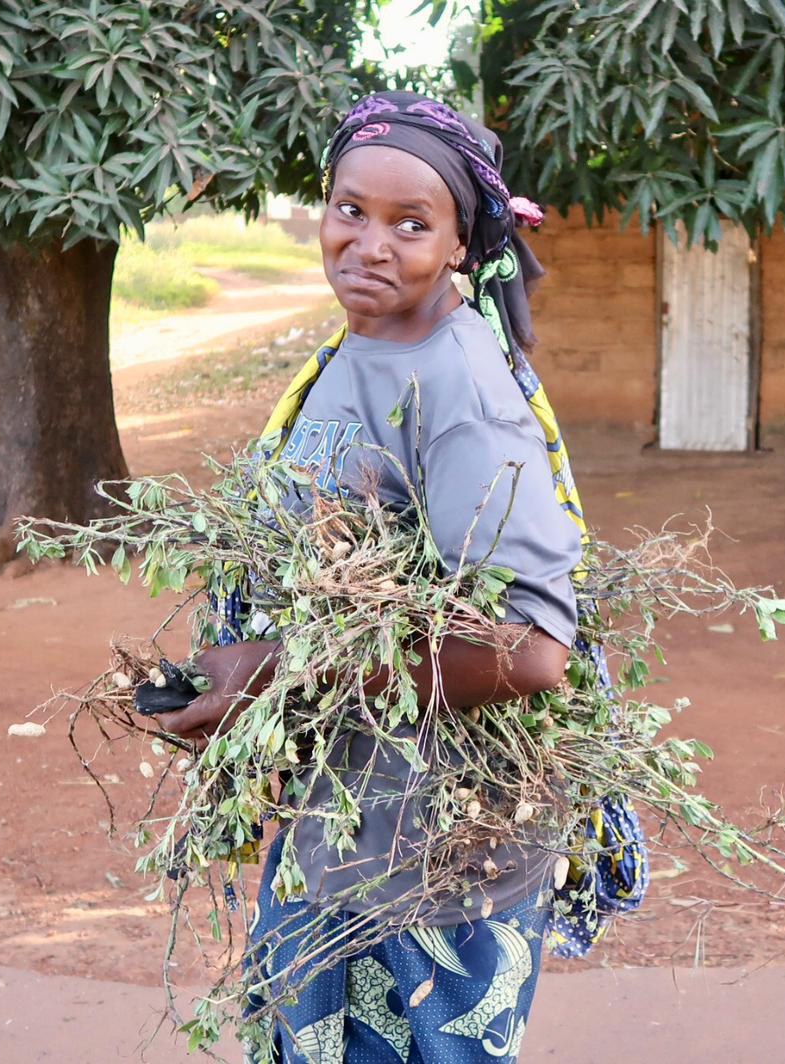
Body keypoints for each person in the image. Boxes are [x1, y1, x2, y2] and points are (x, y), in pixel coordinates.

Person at [151, 91, 585, 1064]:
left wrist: (275, 674)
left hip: (433, 860)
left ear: (463, 244)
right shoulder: (363, 344)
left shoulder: (463, 393)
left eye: (410, 224)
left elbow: (529, 650)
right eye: (349, 210)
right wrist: (241, 681)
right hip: (345, 822)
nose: (368, 246)